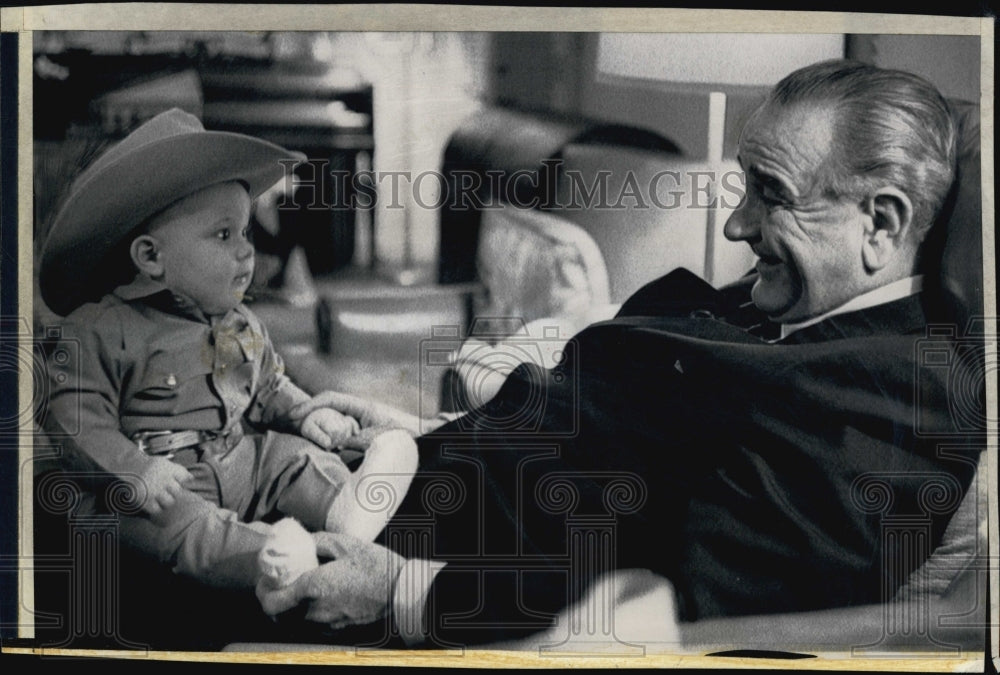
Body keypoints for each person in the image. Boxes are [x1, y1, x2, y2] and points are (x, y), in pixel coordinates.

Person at [256, 60, 983, 647]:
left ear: (881, 223)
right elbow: (585, 429)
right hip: (380, 481)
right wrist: (405, 433)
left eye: (771, 194)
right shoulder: (783, 304)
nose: (735, 225)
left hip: (379, 575)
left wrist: (401, 592)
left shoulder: (890, 398)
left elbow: (695, 610)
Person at [39, 108, 418, 591]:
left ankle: (348, 503)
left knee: (290, 457)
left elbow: (267, 388)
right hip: (162, 485)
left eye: (246, 233)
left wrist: (303, 413)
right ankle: (272, 557)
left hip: (238, 459)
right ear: (151, 257)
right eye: (223, 235)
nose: (245, 251)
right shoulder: (100, 328)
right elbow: (74, 418)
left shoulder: (243, 323)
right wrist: (134, 472)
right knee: (188, 531)